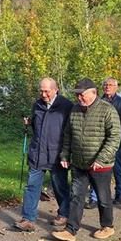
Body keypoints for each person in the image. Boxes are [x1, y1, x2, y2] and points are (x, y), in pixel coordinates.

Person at [51, 79, 121, 241]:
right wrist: (65, 155)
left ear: (93, 93)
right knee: (76, 197)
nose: (79, 98)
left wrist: (101, 159)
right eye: (77, 95)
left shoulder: (107, 110)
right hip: (79, 163)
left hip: (100, 165)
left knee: (103, 198)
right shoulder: (75, 110)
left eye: (82, 95)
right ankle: (71, 230)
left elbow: (115, 138)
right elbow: (68, 135)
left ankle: (107, 226)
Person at [14, 78, 73, 232]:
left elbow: (70, 132)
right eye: (41, 91)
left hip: (56, 155)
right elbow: (37, 126)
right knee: (32, 187)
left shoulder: (66, 106)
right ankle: (28, 219)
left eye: (46, 91)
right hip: (37, 154)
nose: (43, 94)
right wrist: (30, 122)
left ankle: (64, 215)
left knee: (60, 187)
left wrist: (66, 154)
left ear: (55, 89)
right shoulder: (37, 105)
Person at [99, 77, 121, 204]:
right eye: (105, 85)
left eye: (110, 85)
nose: (107, 87)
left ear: (116, 87)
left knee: (117, 167)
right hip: (100, 141)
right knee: (99, 167)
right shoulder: (98, 101)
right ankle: (99, 195)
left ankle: (120, 193)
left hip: (117, 141)